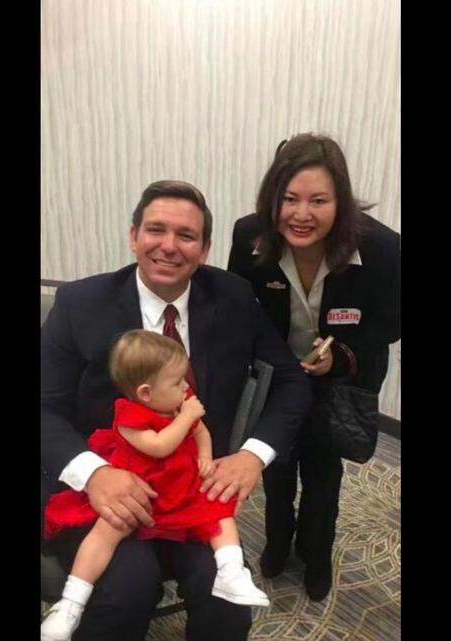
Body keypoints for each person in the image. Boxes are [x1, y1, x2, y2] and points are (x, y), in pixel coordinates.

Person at [41, 180, 312, 641]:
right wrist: (95, 474)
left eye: (186, 236)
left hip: (188, 491)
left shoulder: (232, 296)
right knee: (127, 591)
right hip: (103, 491)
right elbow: (44, 408)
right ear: (133, 237)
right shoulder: (79, 304)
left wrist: (252, 456)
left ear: (204, 249)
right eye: (155, 230)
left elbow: (291, 382)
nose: (169, 246)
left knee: (226, 604)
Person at [227, 133, 401, 601]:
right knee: (276, 466)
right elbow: (239, 310)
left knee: (323, 473)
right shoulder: (250, 237)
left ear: (340, 202)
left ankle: (316, 554)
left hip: (339, 381)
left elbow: (388, 324)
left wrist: (340, 356)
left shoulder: (382, 249)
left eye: (319, 200)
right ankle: (279, 541)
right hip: (276, 379)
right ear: (273, 198)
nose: (302, 214)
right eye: (290, 199)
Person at [41, 331, 269, 641]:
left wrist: (205, 456)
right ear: (146, 392)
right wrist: (186, 416)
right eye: (178, 382)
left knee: (219, 512)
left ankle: (231, 572)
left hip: (180, 486)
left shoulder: (177, 400)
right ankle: (70, 604)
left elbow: (201, 431)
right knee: (107, 531)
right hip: (139, 489)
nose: (187, 387)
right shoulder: (130, 414)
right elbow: (160, 446)